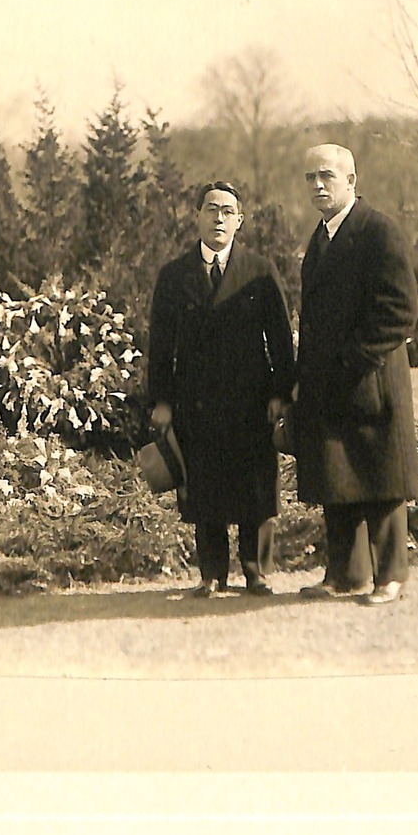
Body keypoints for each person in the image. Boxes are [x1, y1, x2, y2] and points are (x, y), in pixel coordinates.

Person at [147, 181, 295, 597]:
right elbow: (159, 344)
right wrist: (161, 401)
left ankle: (256, 571)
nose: (219, 218)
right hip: (196, 400)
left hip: (251, 400)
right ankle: (211, 574)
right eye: (211, 209)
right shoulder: (174, 276)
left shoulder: (260, 271)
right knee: (204, 484)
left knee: (255, 487)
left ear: (240, 221)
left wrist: (280, 393)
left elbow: (281, 339)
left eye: (227, 211)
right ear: (196, 216)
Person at [290, 144, 418, 605]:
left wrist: (351, 360)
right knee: (338, 478)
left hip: (372, 379)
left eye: (326, 176)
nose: (317, 185)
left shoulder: (378, 231)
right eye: (310, 177)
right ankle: (345, 575)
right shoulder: (320, 237)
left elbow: (401, 311)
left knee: (382, 479)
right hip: (330, 383)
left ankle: (391, 577)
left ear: (352, 181)